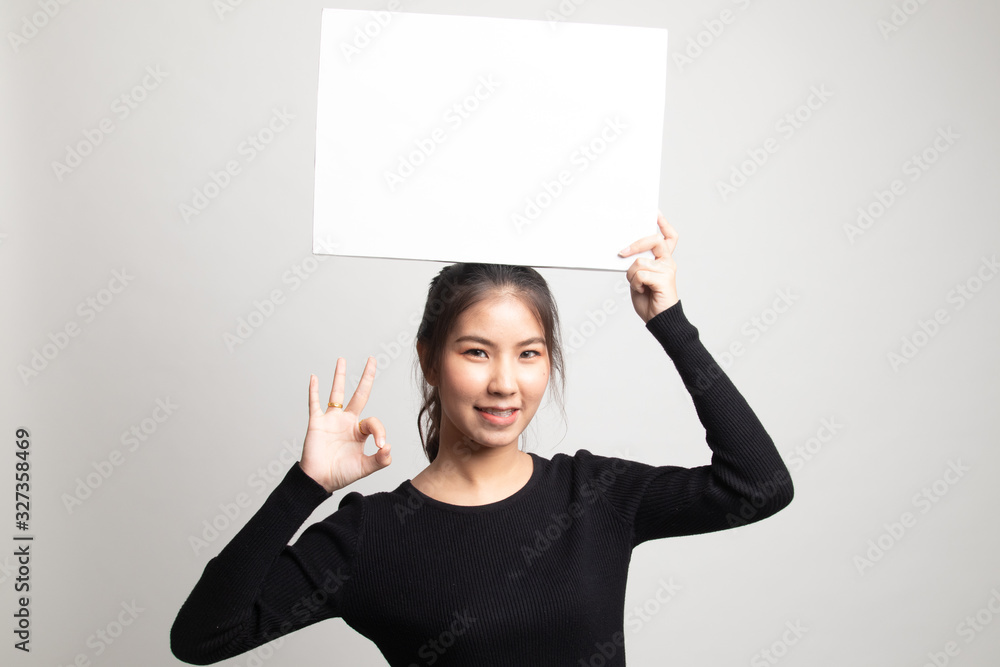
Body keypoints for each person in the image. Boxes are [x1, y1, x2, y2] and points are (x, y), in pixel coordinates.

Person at [170, 214, 793, 666]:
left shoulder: (596, 494)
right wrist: (305, 486)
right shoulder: (371, 536)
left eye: (529, 353)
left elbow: (759, 486)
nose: (504, 383)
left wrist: (670, 323)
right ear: (429, 359)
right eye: (476, 352)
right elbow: (203, 637)